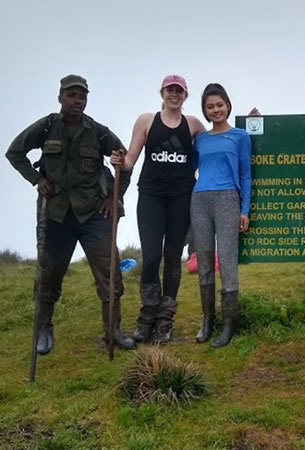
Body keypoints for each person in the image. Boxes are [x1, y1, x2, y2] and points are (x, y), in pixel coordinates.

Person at [6, 74, 135, 355]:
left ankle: (112, 330)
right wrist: (36, 180)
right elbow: (14, 152)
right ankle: (44, 328)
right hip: (56, 215)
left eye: (82, 96)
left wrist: (114, 196)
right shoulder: (46, 127)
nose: (77, 101)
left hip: (93, 215)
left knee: (110, 274)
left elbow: (124, 162)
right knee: (48, 274)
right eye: (72, 95)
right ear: (60, 97)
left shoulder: (99, 132)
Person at [111, 75, 206, 345]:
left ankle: (165, 320)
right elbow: (130, 159)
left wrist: (252, 120)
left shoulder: (194, 125)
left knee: (172, 255)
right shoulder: (146, 121)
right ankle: (147, 315)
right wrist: (119, 160)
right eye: (170, 90)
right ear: (161, 93)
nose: (174, 95)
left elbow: (219, 140)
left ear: (185, 96)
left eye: (179, 91)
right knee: (151, 256)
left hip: (181, 197)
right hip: (151, 196)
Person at [191, 83, 251, 347]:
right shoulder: (200, 139)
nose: (215, 110)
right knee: (203, 261)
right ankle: (207, 321)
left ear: (227, 105)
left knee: (227, 261)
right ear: (204, 110)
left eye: (219, 104)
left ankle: (229, 325)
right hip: (199, 200)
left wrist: (244, 209)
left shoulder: (240, 136)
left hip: (228, 199)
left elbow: (246, 175)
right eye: (210, 106)